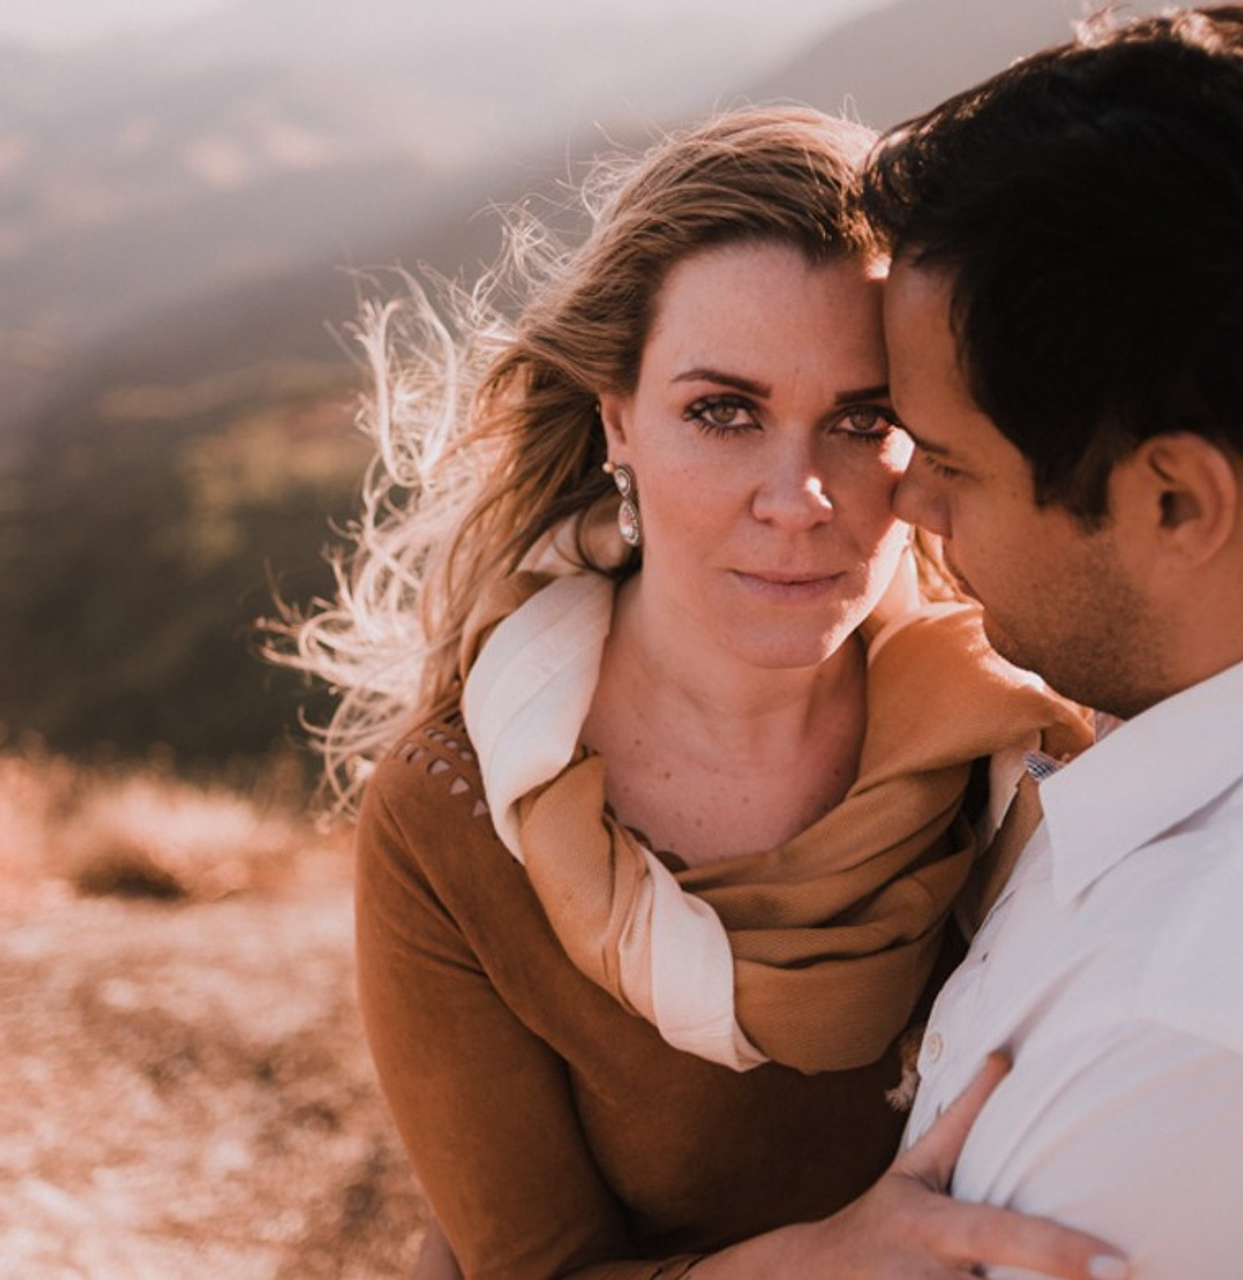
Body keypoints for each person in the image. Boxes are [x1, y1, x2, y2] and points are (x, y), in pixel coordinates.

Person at [277, 108, 1125, 1279]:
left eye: (861, 418)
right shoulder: (453, 818)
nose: (797, 497)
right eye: (722, 412)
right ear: (616, 417)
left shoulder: (1039, 736)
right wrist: (831, 1259)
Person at [861, 7, 1243, 1276]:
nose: (903, 503)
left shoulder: (1177, 1034)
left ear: (1172, 502)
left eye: (952, 465)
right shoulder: (1127, 740)